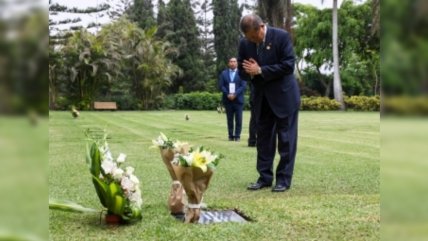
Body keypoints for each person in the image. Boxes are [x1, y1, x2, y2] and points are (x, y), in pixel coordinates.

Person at [237, 14, 300, 192]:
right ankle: (264, 178)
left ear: (261, 28)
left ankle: (283, 180)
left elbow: (288, 65)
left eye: (252, 37)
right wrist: (250, 72)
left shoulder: (281, 37)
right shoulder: (245, 43)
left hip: (284, 98)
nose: (251, 41)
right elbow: (242, 71)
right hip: (262, 99)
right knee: (264, 140)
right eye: (248, 38)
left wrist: (261, 70)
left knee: (287, 140)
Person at [219, 57, 247, 141]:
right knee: (229, 119)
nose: (232, 63)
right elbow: (221, 86)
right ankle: (230, 136)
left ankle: (237, 136)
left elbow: (243, 86)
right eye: (231, 62)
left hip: (238, 100)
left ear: (237, 63)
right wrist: (228, 94)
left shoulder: (242, 73)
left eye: (234, 61)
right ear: (228, 63)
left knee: (239, 119)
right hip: (228, 100)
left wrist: (235, 94)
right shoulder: (224, 73)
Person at [247, 81, 257, 147]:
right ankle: (252, 140)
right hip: (256, 97)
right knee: (254, 120)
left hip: (254, 97)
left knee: (253, 120)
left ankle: (252, 140)